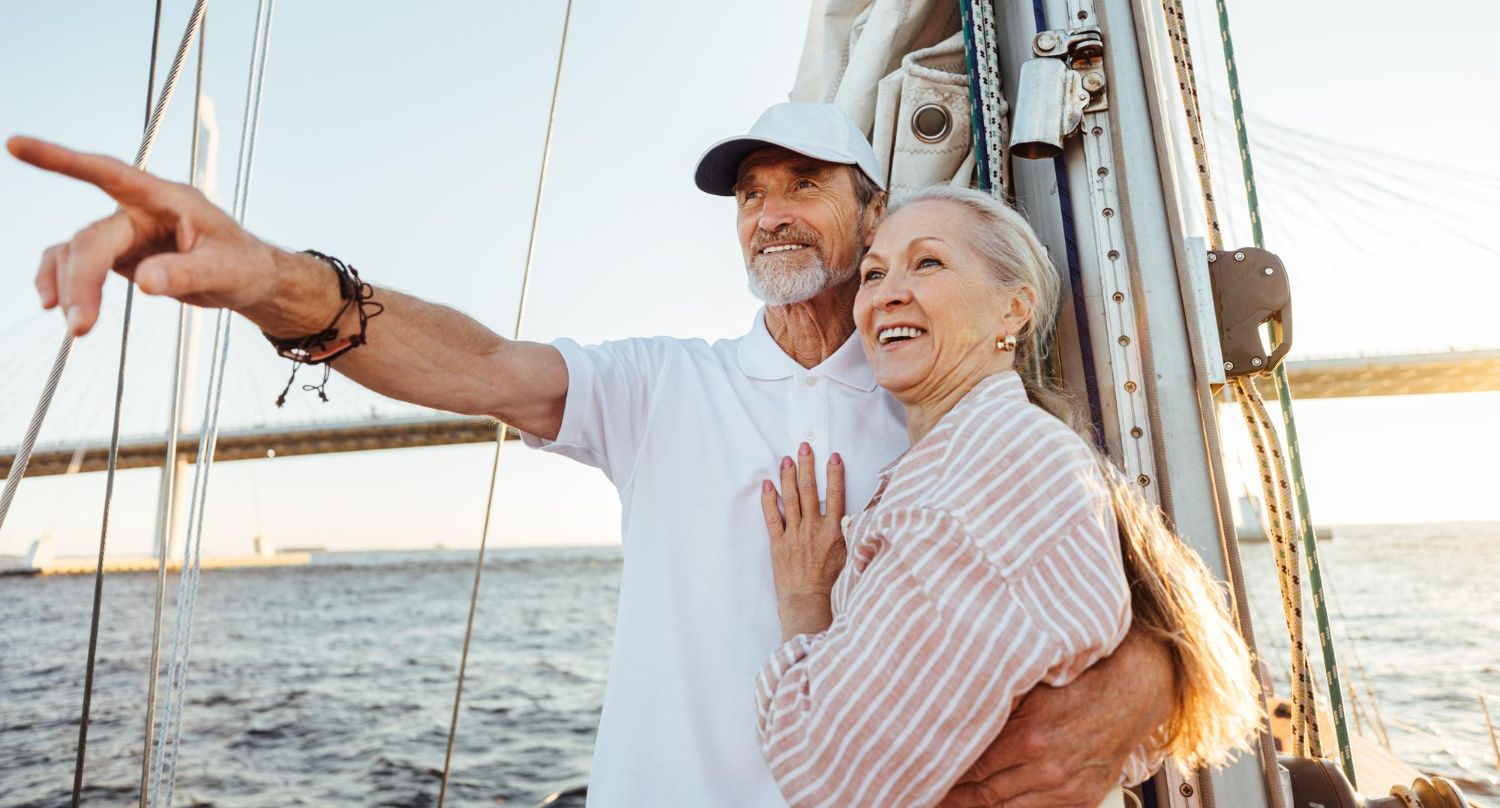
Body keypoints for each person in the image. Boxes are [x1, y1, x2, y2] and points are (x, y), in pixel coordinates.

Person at [9, 102, 1177, 807]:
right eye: (749, 195)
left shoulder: (954, 410)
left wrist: (1146, 685)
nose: (768, 212)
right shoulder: (667, 385)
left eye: (803, 184)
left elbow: (1117, 586)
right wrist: (277, 281)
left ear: (873, 215)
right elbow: (477, 363)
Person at [755, 185, 1263, 808]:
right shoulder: (1004, 453)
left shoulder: (976, 477)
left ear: (1013, 309)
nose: (887, 293)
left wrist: (805, 602)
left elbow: (827, 773)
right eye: (873, 273)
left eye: (929, 262)